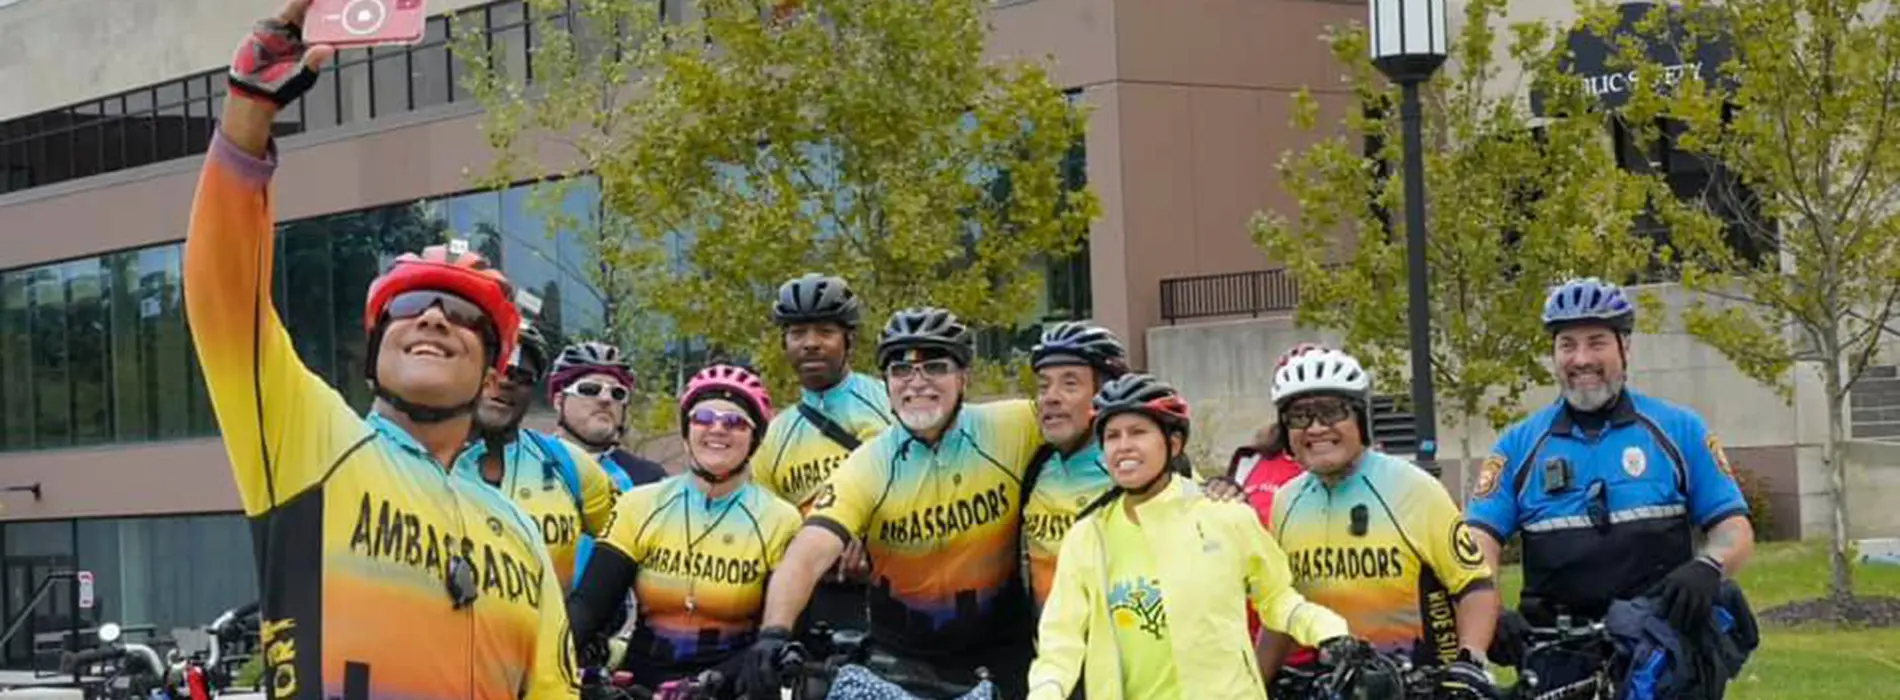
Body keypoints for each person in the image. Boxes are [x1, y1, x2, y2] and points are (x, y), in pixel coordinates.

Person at [183, 3, 575, 696]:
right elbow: (223, 304)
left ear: (493, 367)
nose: (430, 319)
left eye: (461, 314)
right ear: (374, 350)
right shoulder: (309, 439)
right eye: (406, 307)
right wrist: (247, 117)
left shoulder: (516, 529)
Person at [738, 307, 1045, 698]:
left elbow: (1091, 420)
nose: (917, 382)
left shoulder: (1014, 426)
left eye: (934, 367)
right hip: (904, 664)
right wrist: (774, 632)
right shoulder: (870, 463)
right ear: (886, 384)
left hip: (1001, 655)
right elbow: (807, 553)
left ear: (963, 377)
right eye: (901, 370)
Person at [1468, 277, 1756, 687]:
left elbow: (1734, 529)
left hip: (1660, 656)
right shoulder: (1517, 446)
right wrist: (1491, 610)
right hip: (1557, 657)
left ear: (1625, 347)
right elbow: (1477, 544)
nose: (1581, 358)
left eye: (1597, 341)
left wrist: (1708, 566)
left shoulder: (1679, 430)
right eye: (1567, 344)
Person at [1025, 374, 1354, 700]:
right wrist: (1046, 691)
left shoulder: (1225, 516)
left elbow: (1278, 600)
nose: (1123, 446)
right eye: (1112, 436)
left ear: (1173, 444)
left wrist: (1331, 633)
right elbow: (1061, 641)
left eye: (1138, 432)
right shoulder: (1088, 536)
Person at [1258, 346, 1499, 698]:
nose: (1316, 428)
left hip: (1417, 682)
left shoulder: (1415, 488)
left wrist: (1469, 662)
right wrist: (1251, 685)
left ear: (1360, 419)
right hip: (1333, 684)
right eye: (1299, 416)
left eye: (1331, 412)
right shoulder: (1286, 501)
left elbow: (1474, 585)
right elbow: (1282, 610)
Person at [569, 364, 801, 699]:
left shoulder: (781, 519)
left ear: (755, 438)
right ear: (686, 429)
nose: (717, 429)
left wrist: (714, 681)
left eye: (735, 421)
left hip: (729, 686)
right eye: (703, 417)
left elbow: (783, 635)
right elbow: (590, 607)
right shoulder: (640, 504)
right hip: (641, 682)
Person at [748, 274, 892, 631]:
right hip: (818, 600)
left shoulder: (890, 403)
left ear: (849, 341)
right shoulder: (774, 437)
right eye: (798, 334)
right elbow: (766, 526)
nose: (810, 344)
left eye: (825, 332)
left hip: (895, 587)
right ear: (784, 344)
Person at [465, 321, 622, 589]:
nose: (506, 382)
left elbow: (629, 551)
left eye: (522, 377)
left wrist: (586, 617)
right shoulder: (419, 456)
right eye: (497, 367)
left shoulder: (570, 464)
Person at [1021, 321, 1129, 611]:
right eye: (1043, 386)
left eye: (1070, 384)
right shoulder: (1037, 467)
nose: (1051, 397)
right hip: (1049, 649)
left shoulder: (1135, 471)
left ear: (1105, 393)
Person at [548, 340, 671, 487]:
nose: (606, 399)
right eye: (590, 389)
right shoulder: (524, 464)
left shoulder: (650, 479)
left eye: (617, 393)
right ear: (559, 401)